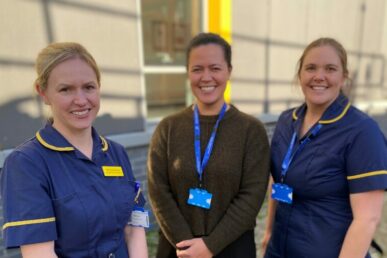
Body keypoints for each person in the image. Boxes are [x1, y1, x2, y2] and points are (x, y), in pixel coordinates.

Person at [1, 42, 148, 258]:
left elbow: (134, 226)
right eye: (65, 89)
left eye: (89, 87)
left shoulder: (116, 153)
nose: (81, 100)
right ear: (43, 93)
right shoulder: (26, 164)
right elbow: (40, 254)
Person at [147, 32, 270, 258]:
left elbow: (251, 197)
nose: (206, 77)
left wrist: (210, 246)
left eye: (215, 68)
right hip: (178, 250)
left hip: (232, 248)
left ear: (229, 71)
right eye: (197, 69)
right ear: (188, 73)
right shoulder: (168, 128)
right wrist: (186, 245)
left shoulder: (251, 131)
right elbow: (158, 191)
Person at [261, 37, 387, 258]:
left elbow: (367, 219)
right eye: (311, 68)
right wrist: (269, 231)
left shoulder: (361, 132)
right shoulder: (285, 121)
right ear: (300, 74)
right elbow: (278, 179)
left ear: (343, 76)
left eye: (330, 69)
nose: (319, 76)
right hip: (279, 250)